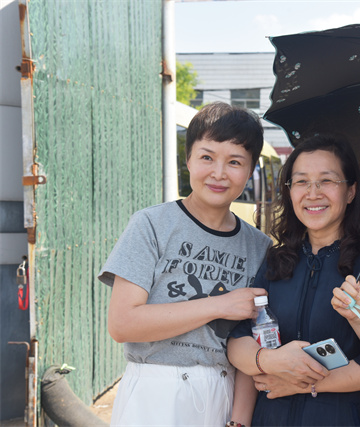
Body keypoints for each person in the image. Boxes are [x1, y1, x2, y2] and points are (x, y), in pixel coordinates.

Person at [98, 102, 273, 426]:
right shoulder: (151, 224)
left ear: (250, 172)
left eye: (235, 162)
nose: (219, 173)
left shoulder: (258, 246)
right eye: (207, 157)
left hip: (223, 391)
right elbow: (122, 324)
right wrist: (219, 305)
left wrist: (239, 421)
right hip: (154, 392)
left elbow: (253, 337)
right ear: (188, 159)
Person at [227, 134, 360, 426]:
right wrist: (270, 361)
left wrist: (303, 383)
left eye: (326, 181)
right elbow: (238, 339)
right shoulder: (277, 260)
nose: (312, 193)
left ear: (350, 192)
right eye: (301, 182)